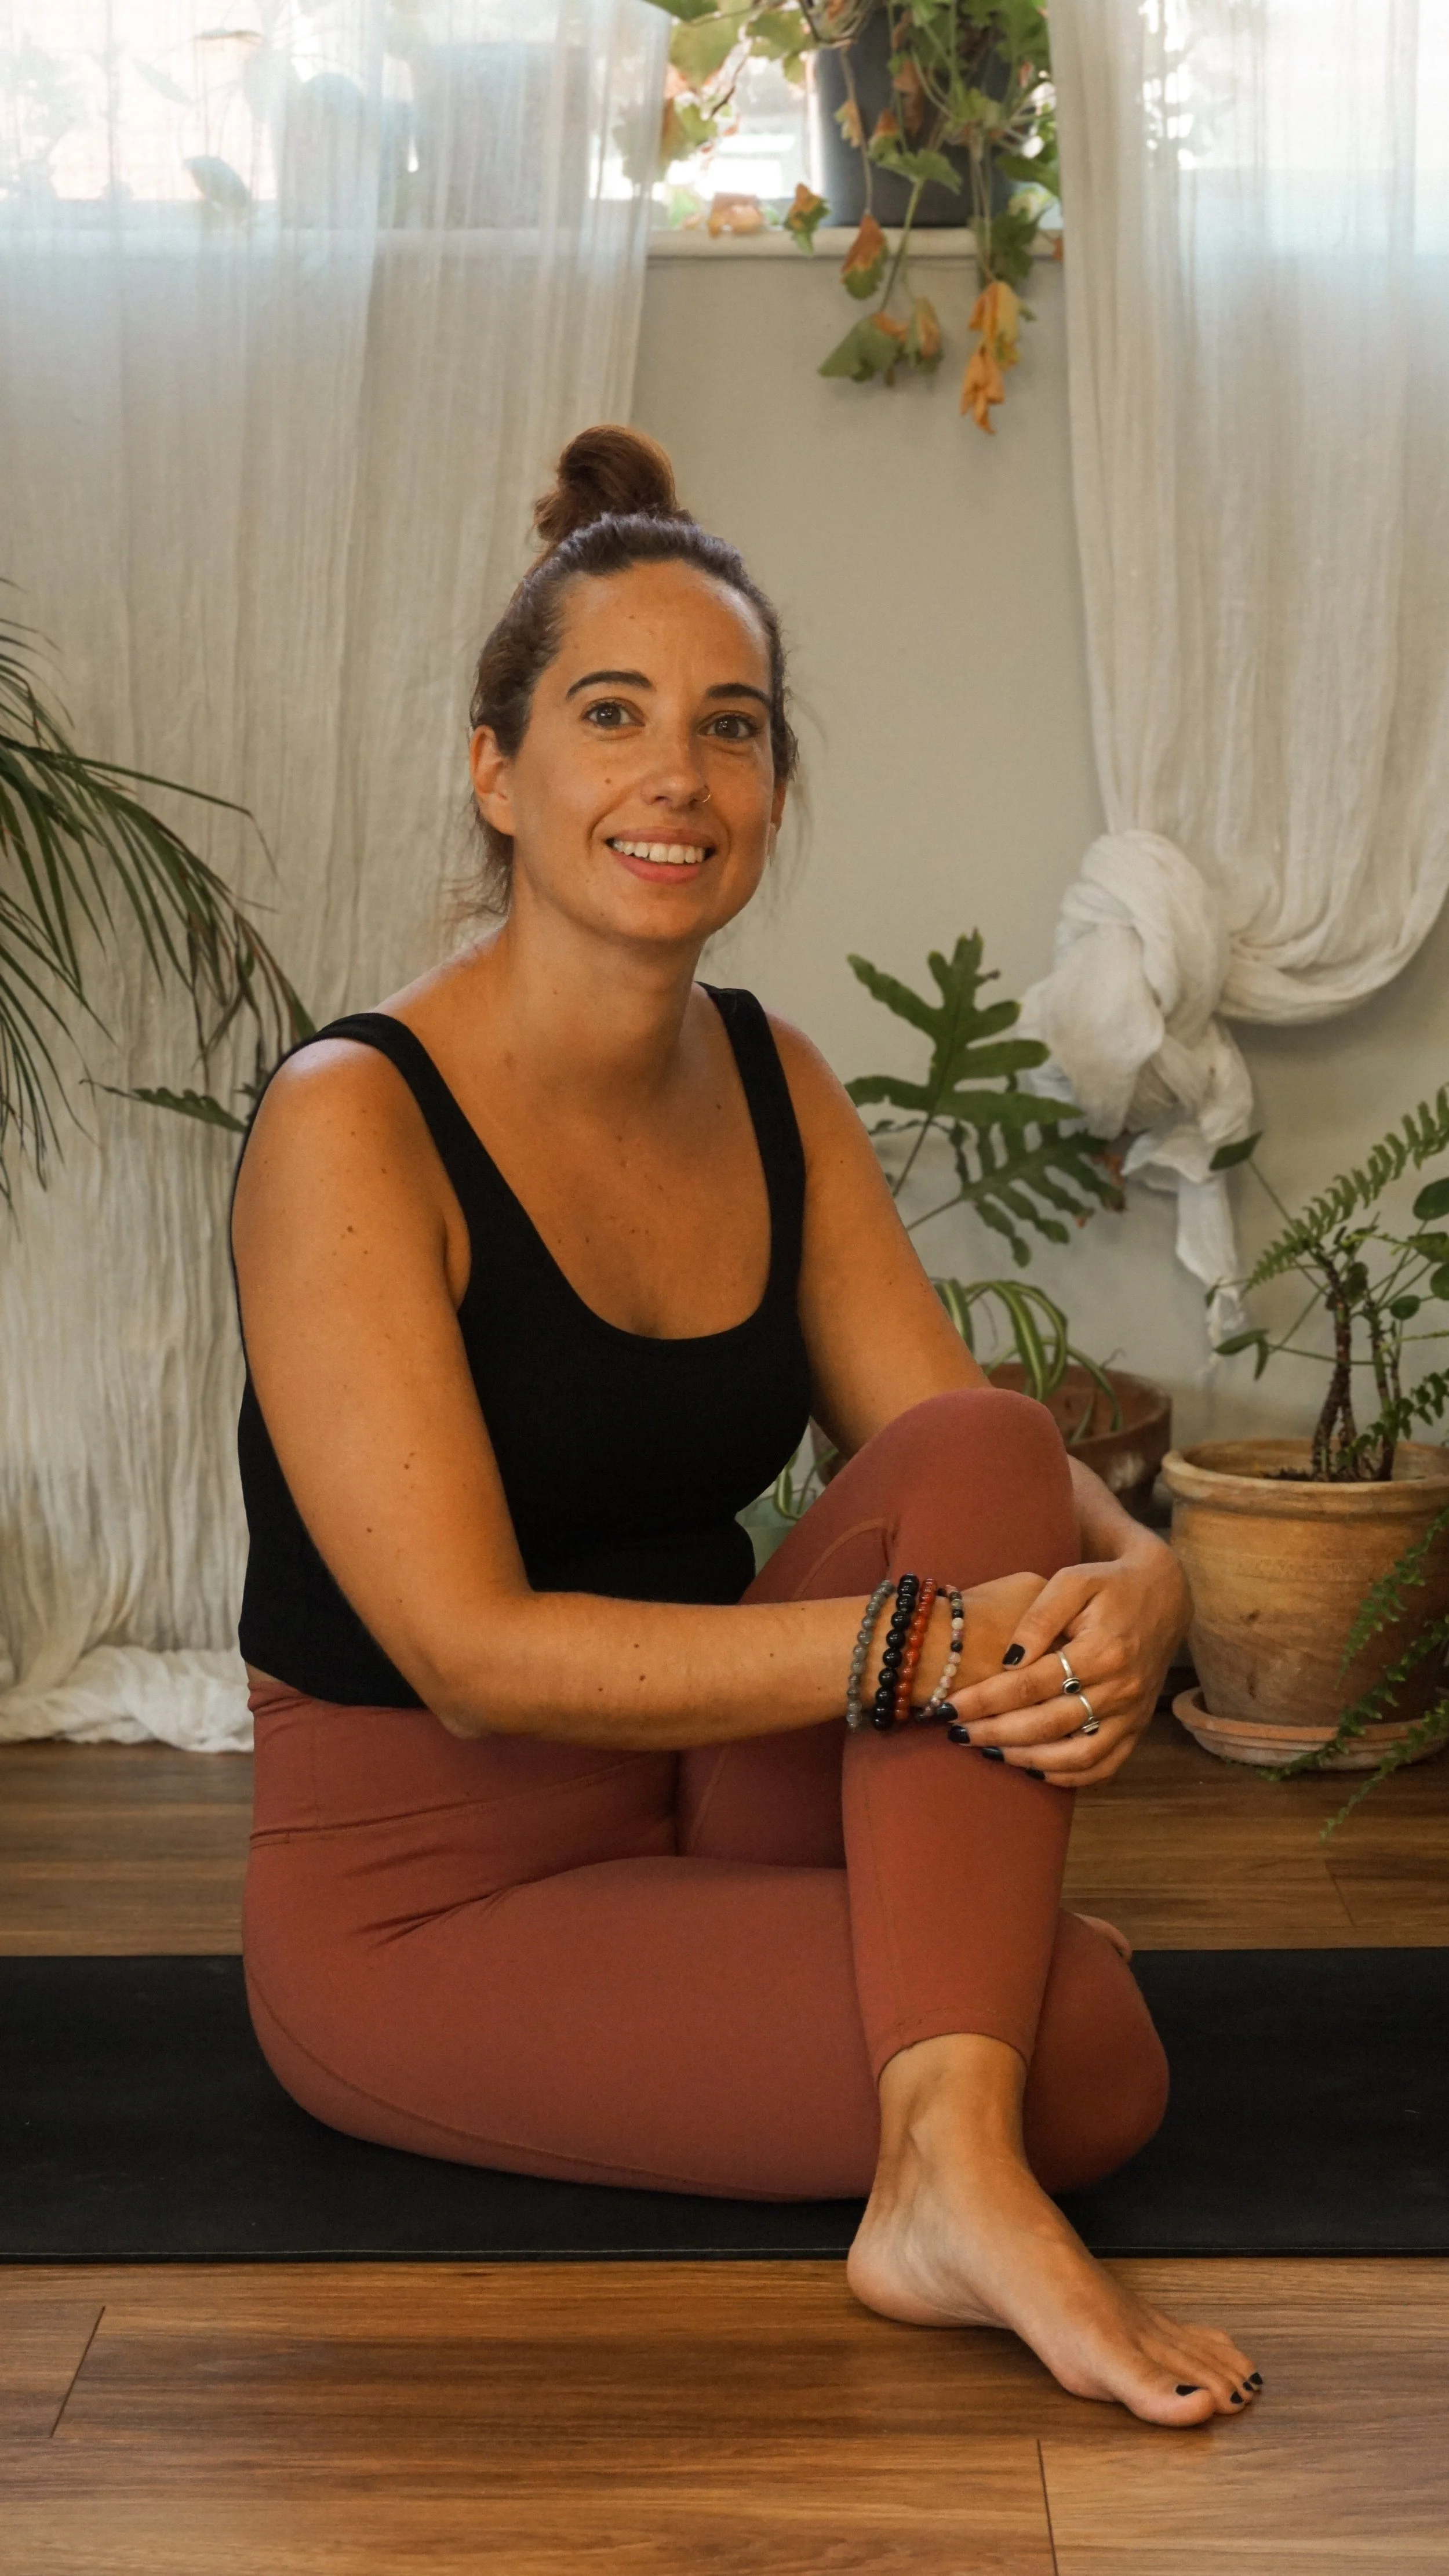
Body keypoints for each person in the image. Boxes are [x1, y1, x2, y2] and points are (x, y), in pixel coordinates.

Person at [232, 425, 1259, 2426]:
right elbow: (468, 1652)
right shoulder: (350, 1121)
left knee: (967, 1449)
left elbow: (967, 1467)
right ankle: (952, 2113)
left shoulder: (768, 1076)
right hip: (431, 1901)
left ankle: (935, 2161)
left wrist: (1146, 1577)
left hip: (713, 1798)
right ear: (497, 771)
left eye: (731, 729)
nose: (676, 780)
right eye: (610, 717)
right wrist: (926, 1652)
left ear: (771, 789)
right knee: (1091, 2036)